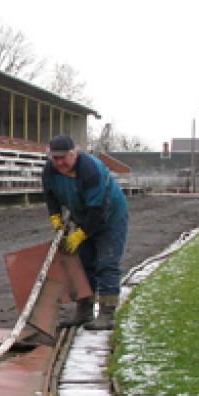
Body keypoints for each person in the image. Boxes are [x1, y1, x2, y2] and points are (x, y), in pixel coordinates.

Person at [42, 134, 129, 331]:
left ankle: (107, 314)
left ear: (74, 154)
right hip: (83, 217)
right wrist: (55, 218)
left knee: (106, 263)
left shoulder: (90, 170)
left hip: (110, 220)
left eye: (63, 157)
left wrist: (81, 234)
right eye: (55, 158)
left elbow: (98, 209)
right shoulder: (49, 170)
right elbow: (50, 195)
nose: (59, 162)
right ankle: (84, 311)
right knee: (82, 265)